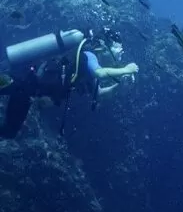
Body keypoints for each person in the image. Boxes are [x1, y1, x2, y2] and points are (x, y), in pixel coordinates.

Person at [0, 27, 138, 138]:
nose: (120, 55)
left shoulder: (90, 69)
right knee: (9, 130)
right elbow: (100, 73)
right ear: (106, 46)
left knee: (9, 131)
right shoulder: (90, 55)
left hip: (27, 92)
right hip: (24, 80)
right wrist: (126, 69)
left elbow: (99, 93)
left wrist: (118, 86)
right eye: (119, 49)